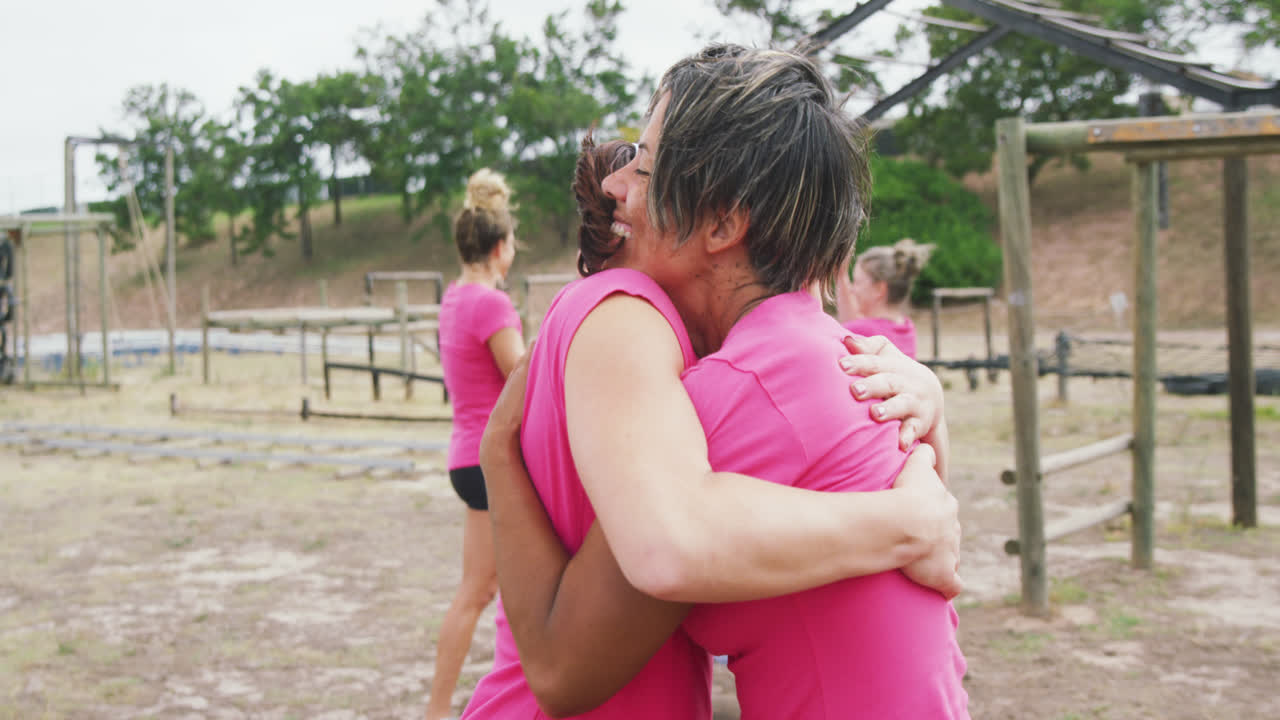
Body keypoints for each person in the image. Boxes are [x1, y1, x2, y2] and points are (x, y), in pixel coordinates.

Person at [463, 45, 964, 720]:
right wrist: (912, 516)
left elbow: (572, 650)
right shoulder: (832, 358)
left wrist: (500, 449)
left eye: (642, 164)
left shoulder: (747, 387)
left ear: (725, 222)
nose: (617, 186)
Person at [425, 168, 524, 720]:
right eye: (512, 244)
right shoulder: (491, 305)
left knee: (480, 591)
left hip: (465, 457)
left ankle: (443, 709)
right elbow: (521, 378)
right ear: (498, 247)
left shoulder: (455, 297)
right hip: (493, 463)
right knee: (488, 593)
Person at [837, 238, 936, 358]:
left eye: (857, 282)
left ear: (879, 289)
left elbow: (853, 326)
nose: (852, 290)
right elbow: (854, 323)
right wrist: (841, 276)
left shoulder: (863, 331)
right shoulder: (906, 327)